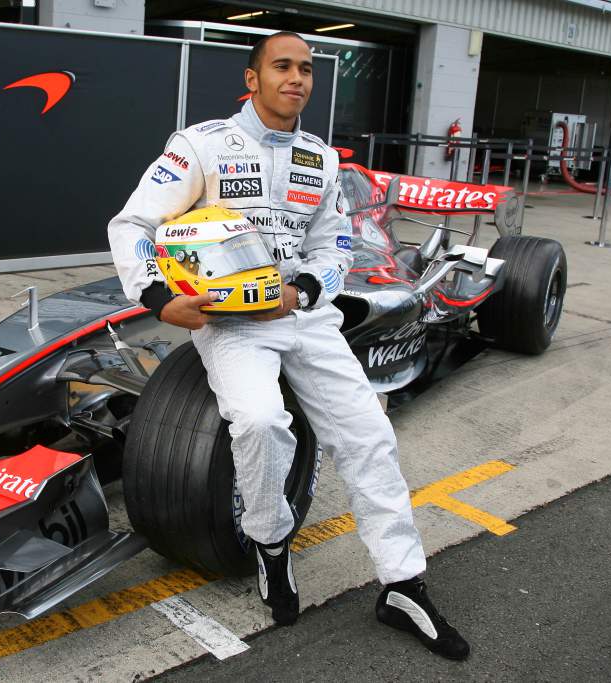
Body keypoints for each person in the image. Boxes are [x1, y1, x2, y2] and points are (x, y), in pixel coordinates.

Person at [107, 31, 469, 661]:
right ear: (253, 79)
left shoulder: (321, 160)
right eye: (282, 67)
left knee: (370, 438)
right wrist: (158, 299)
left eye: (305, 69)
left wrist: (303, 289)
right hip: (230, 323)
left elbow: (336, 248)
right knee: (258, 420)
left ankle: (404, 583)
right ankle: (272, 546)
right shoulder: (201, 145)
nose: (296, 78)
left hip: (307, 317)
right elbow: (133, 223)